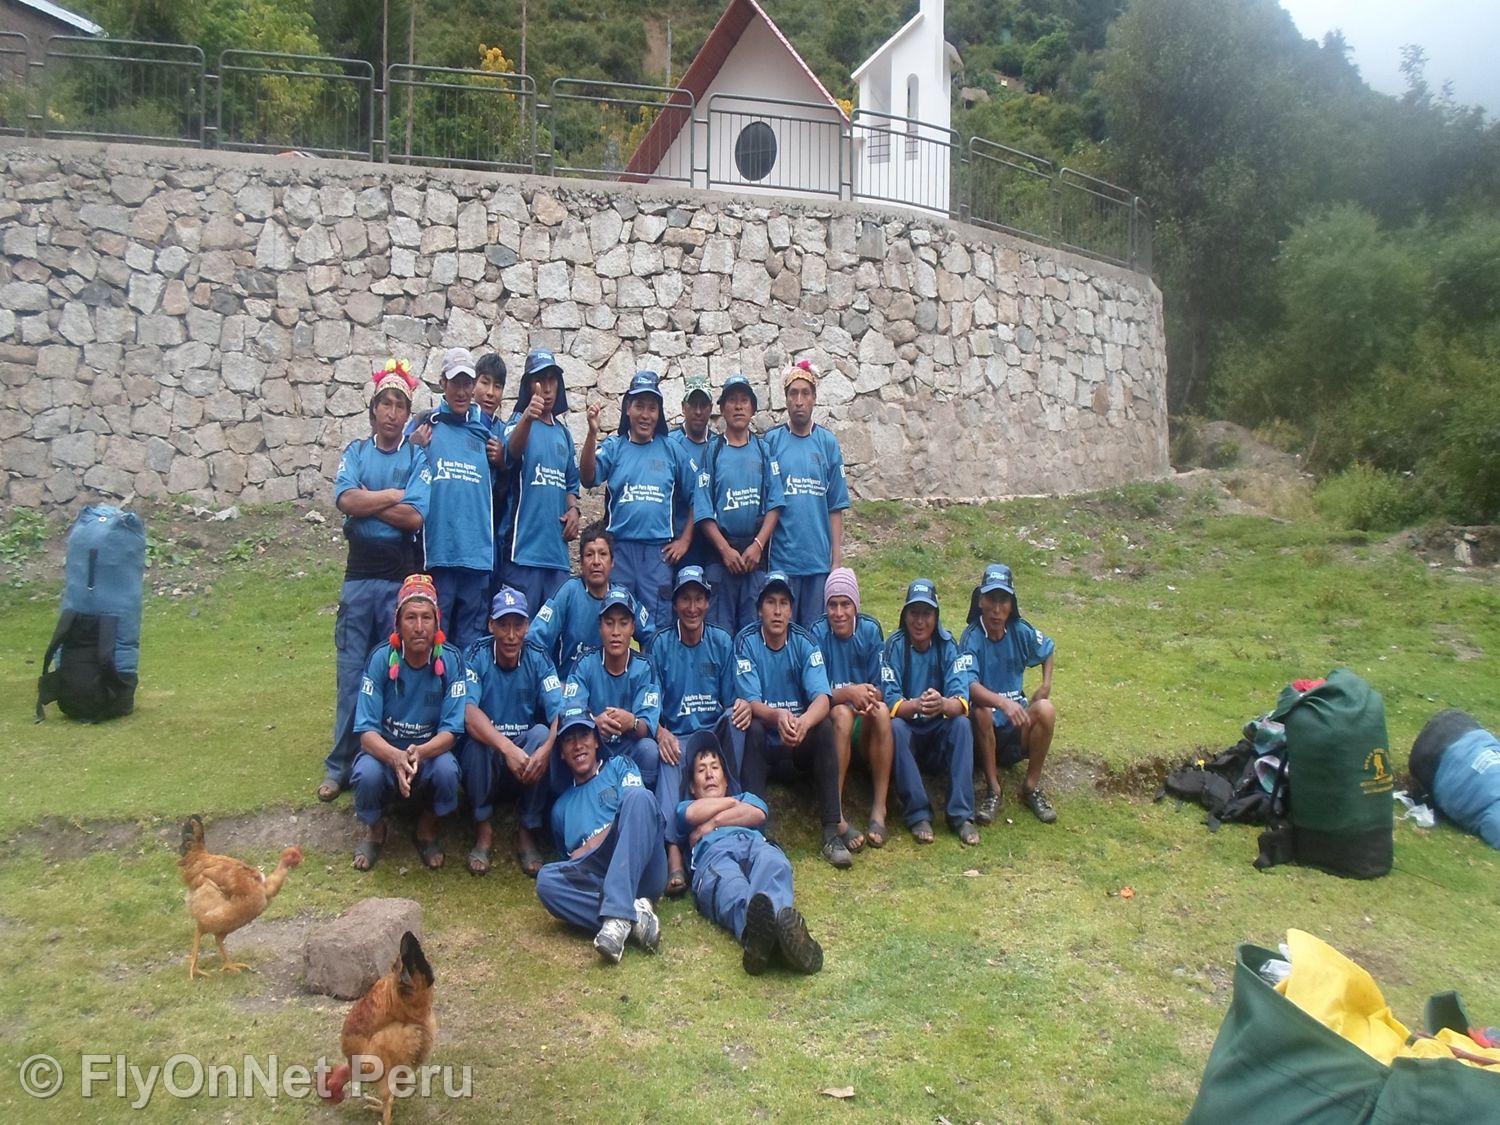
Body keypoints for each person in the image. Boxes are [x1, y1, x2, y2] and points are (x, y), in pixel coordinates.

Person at [320, 358, 431, 804]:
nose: (392, 412)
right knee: (351, 675)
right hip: (359, 578)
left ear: (407, 414)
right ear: (373, 410)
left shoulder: (416, 457)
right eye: (385, 403)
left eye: (400, 405)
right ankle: (339, 766)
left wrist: (368, 501)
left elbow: (415, 516)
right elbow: (344, 499)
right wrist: (390, 496)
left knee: (392, 671)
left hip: (397, 581)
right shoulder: (356, 453)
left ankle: (383, 763)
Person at [644, 565, 754, 897]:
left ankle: (733, 818)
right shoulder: (660, 644)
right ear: (675, 604)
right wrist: (660, 731)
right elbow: (649, 702)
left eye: (699, 599)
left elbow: (732, 698)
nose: (692, 608)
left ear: (708, 603)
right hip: (677, 735)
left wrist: (743, 705)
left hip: (711, 735)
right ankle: (673, 853)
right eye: (685, 600)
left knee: (736, 718)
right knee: (665, 755)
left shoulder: (721, 640)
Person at [735, 572, 851, 868]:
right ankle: (757, 833)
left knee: (823, 726)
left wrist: (804, 723)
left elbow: (822, 697)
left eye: (783, 603)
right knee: (752, 726)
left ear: (791, 609)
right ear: (759, 608)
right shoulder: (746, 641)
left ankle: (831, 832)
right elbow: (750, 700)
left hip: (797, 742)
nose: (777, 611)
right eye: (770, 602)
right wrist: (778, 716)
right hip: (767, 744)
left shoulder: (805, 641)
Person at [350, 574, 465, 871]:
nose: (419, 627)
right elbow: (366, 733)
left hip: (429, 753)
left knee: (448, 771)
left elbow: (452, 731)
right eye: (411, 617)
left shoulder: (451, 661)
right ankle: (376, 830)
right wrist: (395, 756)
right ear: (398, 623)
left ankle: (426, 829)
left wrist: (420, 753)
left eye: (426, 617)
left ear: (437, 623)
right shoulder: (380, 659)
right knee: (366, 773)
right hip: (386, 752)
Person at [678, 742, 823, 975]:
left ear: (726, 780)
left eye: (715, 767)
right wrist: (733, 805)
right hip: (713, 855)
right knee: (729, 885)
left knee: (774, 863)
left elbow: (758, 813)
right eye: (701, 770)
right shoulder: (686, 806)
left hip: (754, 844)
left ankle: (763, 940)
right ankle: (778, 936)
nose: (709, 774)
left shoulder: (745, 797)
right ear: (692, 787)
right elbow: (692, 814)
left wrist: (713, 822)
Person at [536, 706, 666, 964]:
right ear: (561, 753)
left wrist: (591, 845)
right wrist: (585, 855)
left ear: (596, 741)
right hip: (600, 877)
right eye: (569, 740)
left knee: (640, 798)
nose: (577, 746)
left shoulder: (620, 766)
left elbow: (639, 815)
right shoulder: (560, 809)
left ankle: (617, 911)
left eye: (584, 736)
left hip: (643, 868)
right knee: (546, 881)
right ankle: (632, 917)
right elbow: (573, 865)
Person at [459, 586, 564, 878]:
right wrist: (506, 747)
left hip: (525, 764)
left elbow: (561, 712)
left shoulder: (538, 656)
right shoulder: (476, 654)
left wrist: (547, 750)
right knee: (477, 743)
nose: (511, 635)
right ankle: (483, 827)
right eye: (503, 625)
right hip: (491, 757)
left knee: (542, 734)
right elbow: (468, 712)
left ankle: (527, 829)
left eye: (518, 625)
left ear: (528, 626)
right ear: (490, 625)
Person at [580, 371, 699, 625]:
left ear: (659, 413)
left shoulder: (671, 449)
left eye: (652, 408)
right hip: (620, 552)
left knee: (656, 626)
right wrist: (591, 434)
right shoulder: (614, 447)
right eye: (639, 406)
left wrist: (685, 541)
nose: (645, 415)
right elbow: (588, 478)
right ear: (628, 409)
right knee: (616, 621)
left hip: (658, 555)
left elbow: (697, 495)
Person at [408, 346, 496, 650]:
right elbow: (399, 462)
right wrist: (413, 445)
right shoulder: (426, 424)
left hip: (477, 558)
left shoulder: (484, 430)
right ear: (442, 383)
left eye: (467, 383)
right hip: (440, 556)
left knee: (471, 647)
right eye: (455, 383)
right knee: (435, 643)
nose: (461, 391)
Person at [960, 564, 1058, 825]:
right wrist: (1003, 703)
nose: (996, 609)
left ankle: (1031, 786)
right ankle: (993, 790)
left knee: (1046, 708)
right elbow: (970, 685)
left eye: (1003, 600)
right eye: (991, 599)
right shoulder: (971, 637)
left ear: (1011, 605)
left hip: (1016, 727)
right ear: (980, 601)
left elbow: (1048, 649)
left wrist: (1045, 685)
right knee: (981, 710)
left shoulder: (1020, 631)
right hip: (984, 732)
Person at [883, 578, 979, 845]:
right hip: (909, 730)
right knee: (895, 728)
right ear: (905, 616)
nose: (920, 621)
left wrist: (942, 704)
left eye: (926, 614)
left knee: (962, 725)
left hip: (938, 730)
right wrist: (917, 704)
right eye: (914, 613)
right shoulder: (894, 646)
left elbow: (961, 700)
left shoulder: (948, 645)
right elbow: (890, 700)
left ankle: (961, 816)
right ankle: (918, 815)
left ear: (936, 617)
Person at [810, 568, 895, 851]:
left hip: (865, 721)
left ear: (855, 605)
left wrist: (866, 695)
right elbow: (816, 692)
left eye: (845, 604)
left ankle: (879, 809)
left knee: (881, 710)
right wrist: (848, 693)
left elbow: (882, 685)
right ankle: (837, 814)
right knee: (842, 713)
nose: (839, 613)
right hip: (836, 720)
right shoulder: (817, 632)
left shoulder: (870, 630)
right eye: (832, 605)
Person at [694, 374, 784, 635]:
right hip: (720, 559)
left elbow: (775, 504)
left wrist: (758, 546)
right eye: (732, 401)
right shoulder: (711, 452)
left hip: (754, 559)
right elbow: (703, 509)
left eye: (744, 401)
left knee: (754, 633)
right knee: (719, 634)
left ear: (753, 409)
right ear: (722, 409)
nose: (738, 406)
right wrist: (724, 550)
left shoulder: (764, 451)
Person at [765, 360, 850, 629]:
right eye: (793, 394)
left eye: (805, 393)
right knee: (781, 633)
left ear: (814, 398)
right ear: (786, 399)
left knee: (814, 635)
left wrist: (836, 562)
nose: (799, 401)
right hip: (782, 563)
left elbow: (835, 506)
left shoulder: (827, 443)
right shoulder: (772, 442)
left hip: (817, 564)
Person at [500, 348, 581, 619]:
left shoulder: (564, 435)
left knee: (554, 632)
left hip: (557, 557)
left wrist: (574, 510)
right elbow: (510, 452)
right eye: (539, 380)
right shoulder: (517, 423)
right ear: (528, 386)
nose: (546, 388)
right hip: (523, 554)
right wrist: (528, 416)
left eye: (551, 380)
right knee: (518, 632)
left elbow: (571, 485)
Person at [564, 588, 664, 787]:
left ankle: (641, 798)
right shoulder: (584, 663)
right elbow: (570, 713)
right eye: (609, 623)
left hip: (630, 750)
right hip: (595, 749)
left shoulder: (645, 667)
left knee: (649, 749)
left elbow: (648, 725)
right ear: (600, 627)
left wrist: (632, 722)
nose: (616, 632)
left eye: (623, 623)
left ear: (633, 627)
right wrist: (594, 723)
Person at [528, 523, 653, 679]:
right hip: (569, 685)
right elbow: (535, 640)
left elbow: (651, 637)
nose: (596, 562)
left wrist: (641, 675)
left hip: (611, 687)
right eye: (589, 555)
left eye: (603, 554)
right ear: (581, 562)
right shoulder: (569, 592)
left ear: (612, 562)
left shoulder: (624, 596)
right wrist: (551, 682)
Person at [667, 372, 719, 570]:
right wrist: (683, 540)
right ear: (683, 407)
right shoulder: (670, 443)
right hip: (677, 542)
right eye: (693, 405)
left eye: (703, 405)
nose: (698, 411)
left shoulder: (718, 446)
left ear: (711, 409)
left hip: (712, 544)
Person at [473, 352, 512, 599]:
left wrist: (503, 461)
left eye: (497, 386)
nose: (490, 393)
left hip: (495, 530)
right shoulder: (459, 423)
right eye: (484, 383)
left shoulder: (505, 431)